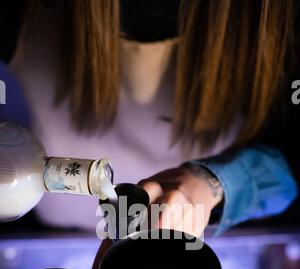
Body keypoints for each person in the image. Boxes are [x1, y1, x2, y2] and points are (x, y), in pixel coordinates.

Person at [4, 0, 298, 244]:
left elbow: (292, 160)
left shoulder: (275, 14)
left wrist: (215, 183)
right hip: (54, 228)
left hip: (205, 234)